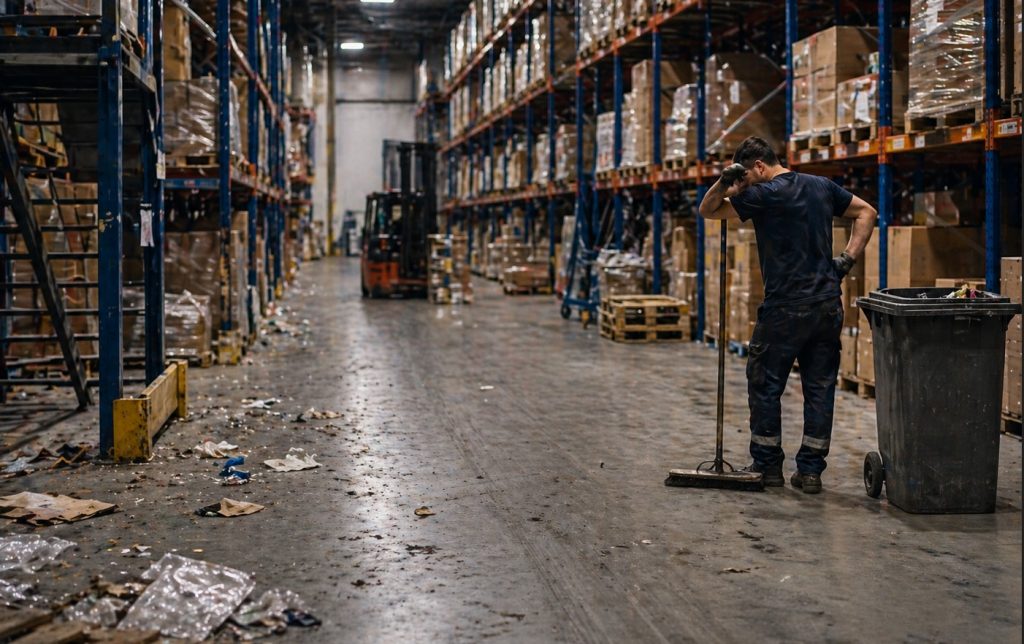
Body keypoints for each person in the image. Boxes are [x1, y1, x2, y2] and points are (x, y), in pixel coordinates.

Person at [698, 136, 877, 494]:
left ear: (758, 167)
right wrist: (846, 260)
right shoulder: (821, 186)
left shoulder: (762, 195)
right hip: (827, 304)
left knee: (765, 384)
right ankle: (810, 472)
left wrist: (724, 183)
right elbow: (867, 212)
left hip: (784, 309)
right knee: (819, 387)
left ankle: (767, 467)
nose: (746, 184)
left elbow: (709, 210)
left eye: (748, 176)